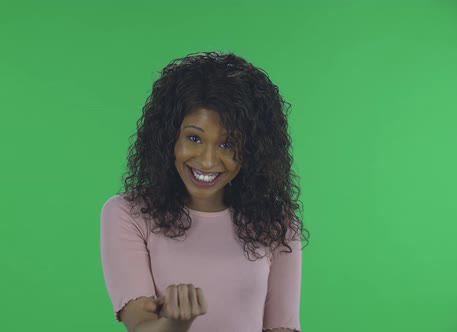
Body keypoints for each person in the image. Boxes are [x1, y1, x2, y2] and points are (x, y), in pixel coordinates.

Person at [100, 51, 310, 332]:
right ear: (168, 137)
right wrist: (175, 323)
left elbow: (283, 327)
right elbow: (141, 325)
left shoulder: (278, 223)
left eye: (227, 144)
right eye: (194, 138)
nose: (208, 161)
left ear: (252, 150)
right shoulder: (128, 214)